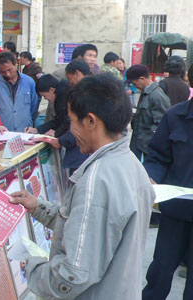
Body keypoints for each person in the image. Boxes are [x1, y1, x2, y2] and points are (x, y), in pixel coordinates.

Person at [11, 73, 155, 300]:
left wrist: (33, 267)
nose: (70, 130)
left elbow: (72, 276)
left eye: (71, 121)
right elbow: (91, 229)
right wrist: (38, 207)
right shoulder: (131, 164)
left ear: (90, 121)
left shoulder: (97, 180)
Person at [142, 99, 193, 300]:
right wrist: (151, 176)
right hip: (176, 210)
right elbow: (157, 156)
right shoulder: (174, 116)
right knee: (161, 270)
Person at [126, 64, 171, 161]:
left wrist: (150, 140)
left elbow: (161, 124)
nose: (135, 86)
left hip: (147, 149)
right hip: (138, 145)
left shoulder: (157, 96)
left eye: (135, 83)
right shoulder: (145, 93)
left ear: (142, 78)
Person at [0, 52, 38, 132]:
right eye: (3, 72)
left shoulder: (29, 82)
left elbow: (33, 106)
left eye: (10, 70)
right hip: (2, 132)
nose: (7, 74)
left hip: (24, 130)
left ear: (16, 64)